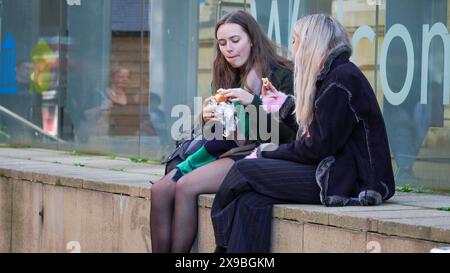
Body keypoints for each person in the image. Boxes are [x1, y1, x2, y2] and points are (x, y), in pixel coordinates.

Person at [210, 14, 396, 253]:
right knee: (251, 201)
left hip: (347, 180)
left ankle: (221, 247)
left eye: (296, 41)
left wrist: (266, 152)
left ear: (312, 43)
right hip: (333, 169)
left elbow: (316, 147)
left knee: (243, 169)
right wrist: (284, 106)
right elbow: (320, 134)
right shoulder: (333, 75)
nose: (293, 47)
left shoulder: (341, 79)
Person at [150, 10, 297, 253]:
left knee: (185, 187)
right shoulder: (226, 72)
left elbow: (289, 134)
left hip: (259, 153)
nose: (228, 48)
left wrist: (253, 102)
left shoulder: (282, 74)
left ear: (251, 38)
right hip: (224, 148)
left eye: (235, 40)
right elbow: (219, 132)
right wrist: (207, 119)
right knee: (160, 189)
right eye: (222, 43)